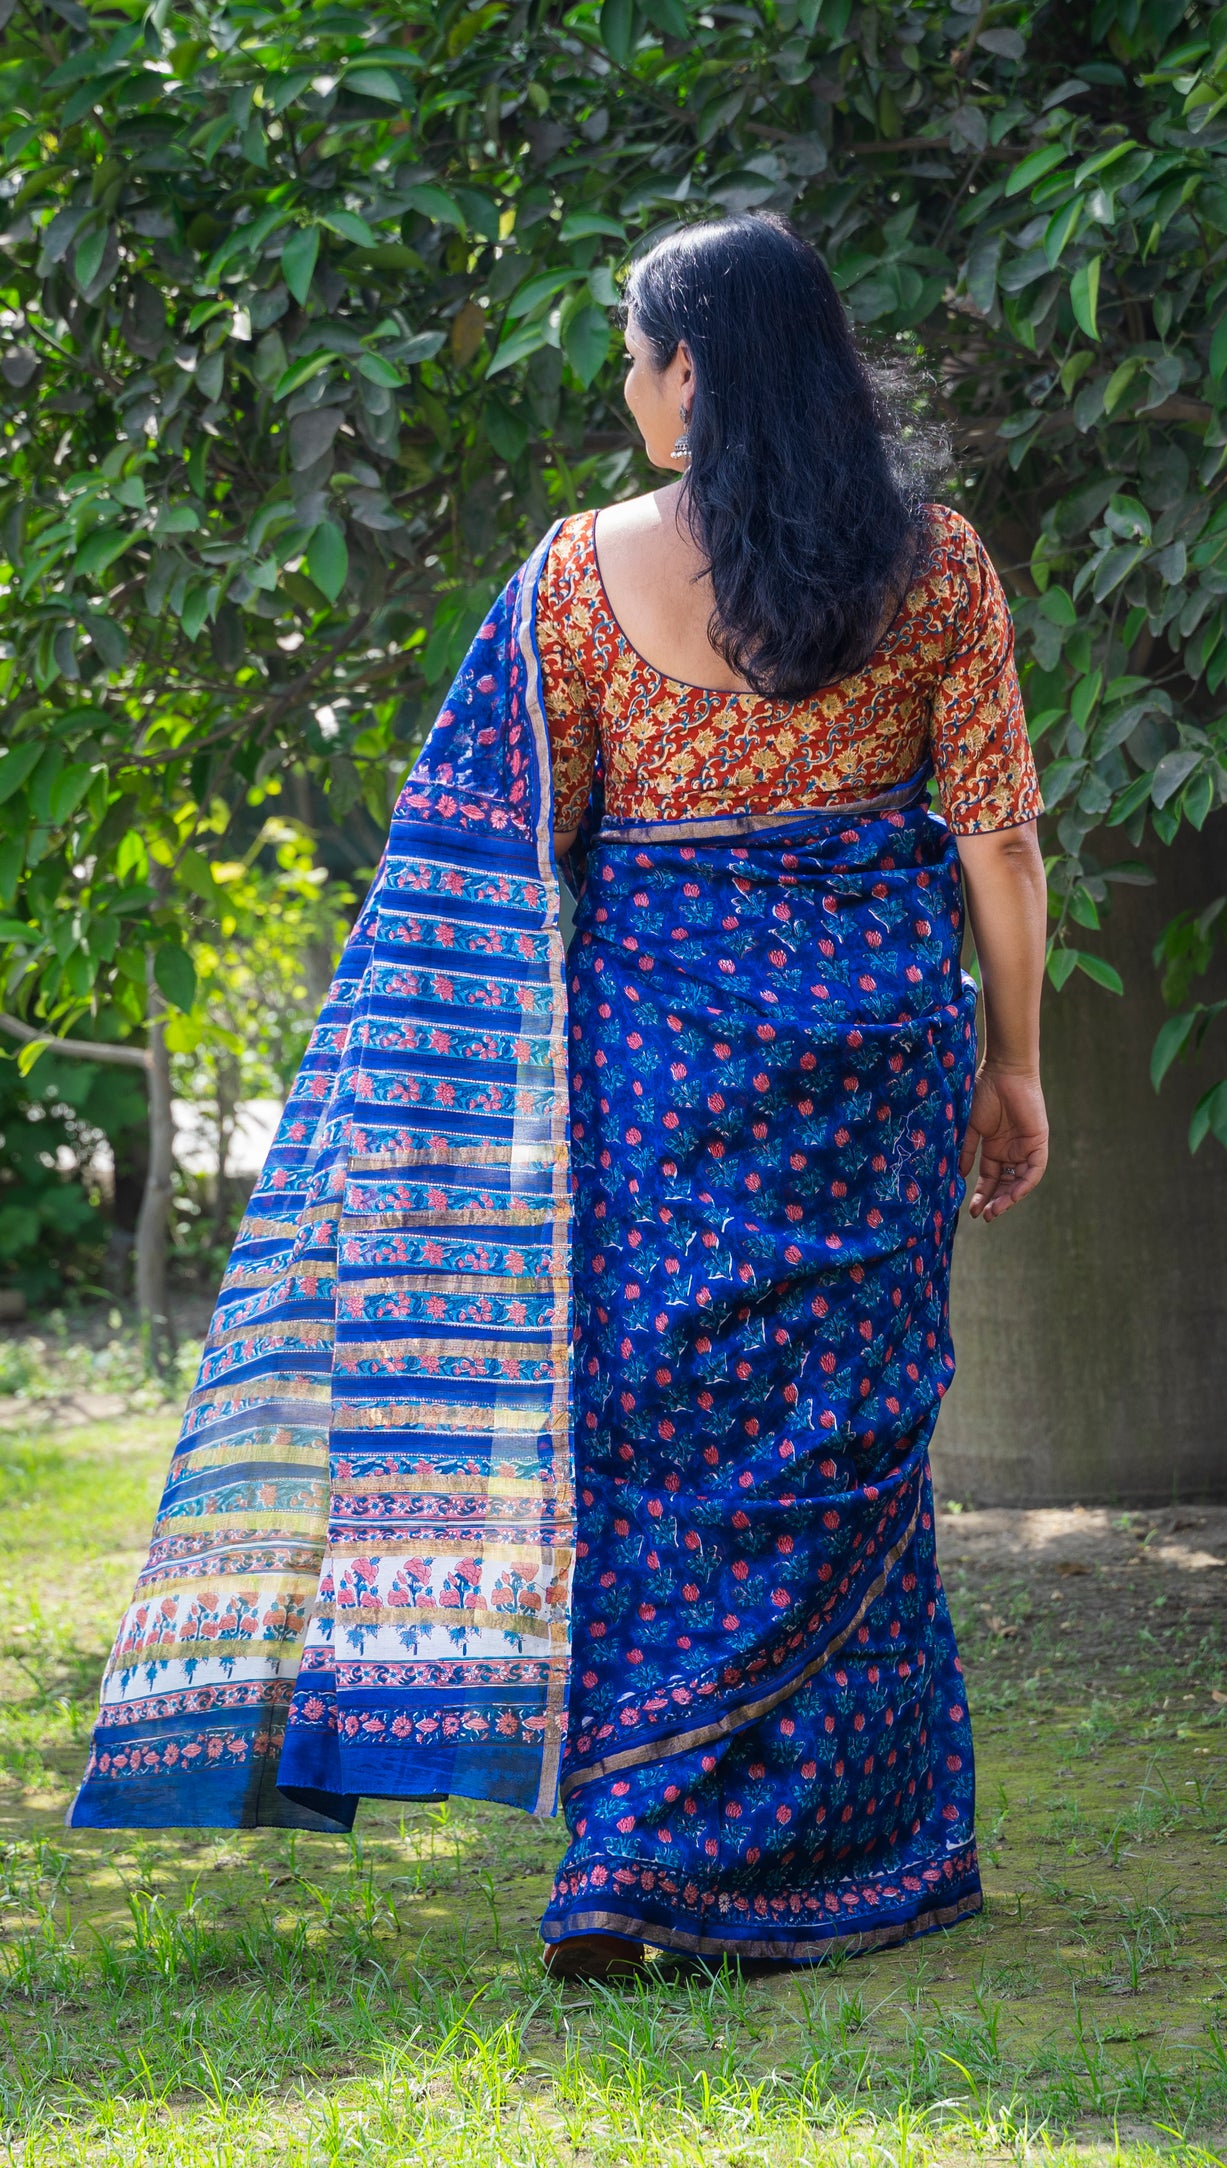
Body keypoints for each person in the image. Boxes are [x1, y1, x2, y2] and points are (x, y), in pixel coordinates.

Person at [69, 213, 1048, 1983]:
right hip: (875, 1057)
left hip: (657, 1063)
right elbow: (997, 836)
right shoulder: (938, 564)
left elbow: (521, 840)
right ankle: (851, 1853)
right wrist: (1017, 1062)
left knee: (657, 1436)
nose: (626, 388)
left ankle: (635, 1855)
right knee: (844, 1433)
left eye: (635, 355)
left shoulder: (579, 576)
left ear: (694, 373)